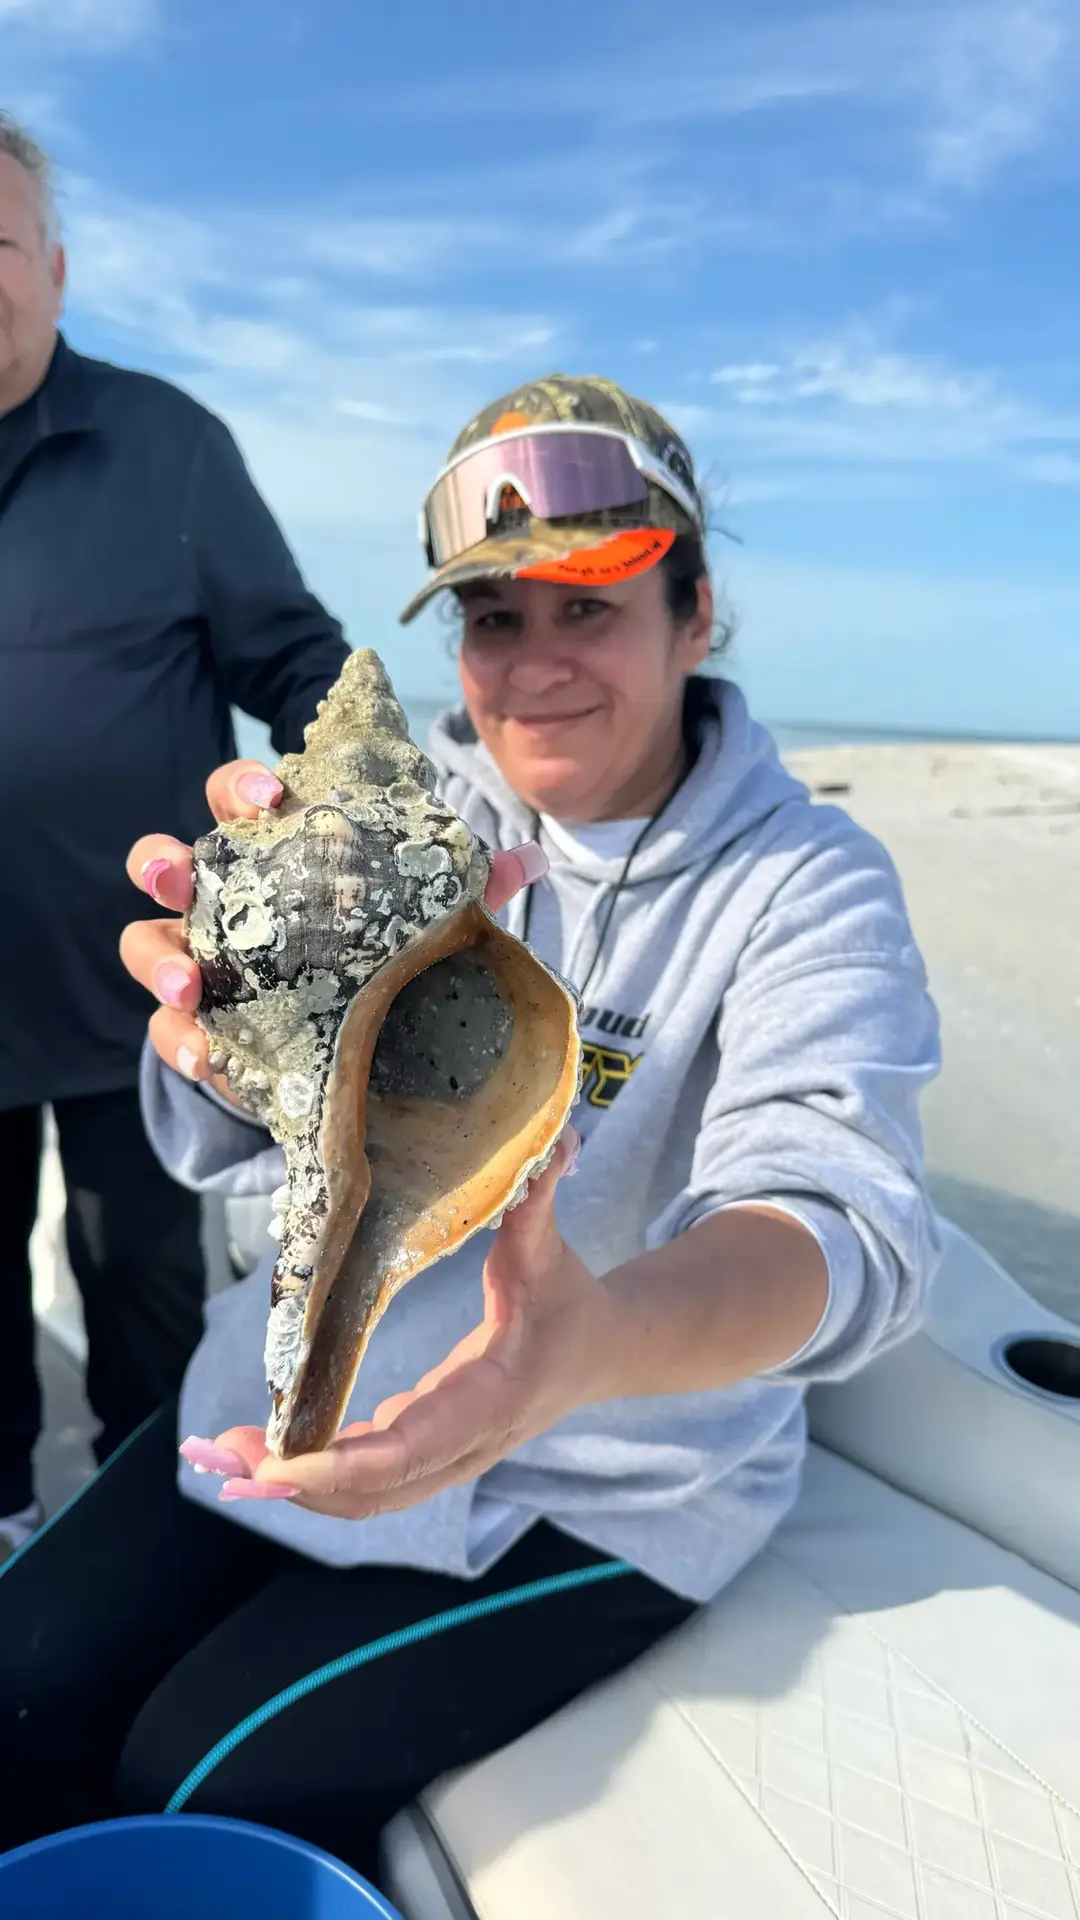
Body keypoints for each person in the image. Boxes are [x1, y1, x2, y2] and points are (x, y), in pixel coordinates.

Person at [0, 373, 942, 1881]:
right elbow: (250, 1141)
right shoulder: (423, 831)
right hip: (294, 1390)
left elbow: (840, 1219)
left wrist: (575, 1350)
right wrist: (234, 1034)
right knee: (15, 1690)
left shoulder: (805, 883)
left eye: (592, 607)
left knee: (191, 1783)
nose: (536, 665)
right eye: (495, 619)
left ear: (696, 617)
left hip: (592, 1475)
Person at [0, 113, 350, 1557]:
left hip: (149, 1005)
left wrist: (361, 846)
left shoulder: (170, 450)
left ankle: (154, 1537)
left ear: (57, 270)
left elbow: (306, 674)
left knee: (149, 1281)